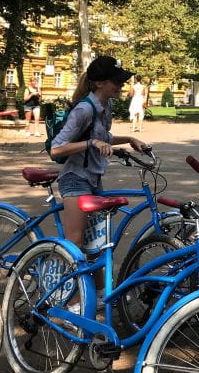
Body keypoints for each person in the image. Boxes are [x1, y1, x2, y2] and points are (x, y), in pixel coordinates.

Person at [50, 56, 147, 272]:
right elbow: (56, 148)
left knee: (95, 246)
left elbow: (102, 137)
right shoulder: (84, 110)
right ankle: (66, 291)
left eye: (122, 81)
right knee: (74, 244)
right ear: (100, 83)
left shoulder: (106, 105)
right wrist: (91, 143)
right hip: (75, 179)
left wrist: (130, 140)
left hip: (93, 179)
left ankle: (98, 288)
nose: (121, 85)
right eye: (116, 81)